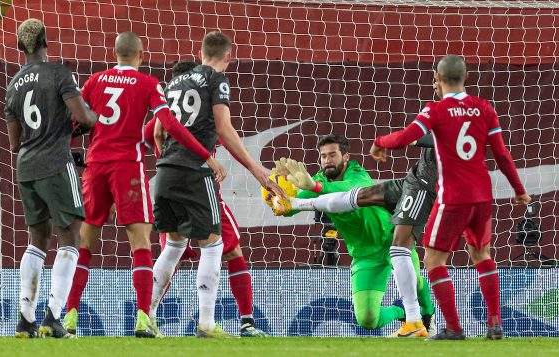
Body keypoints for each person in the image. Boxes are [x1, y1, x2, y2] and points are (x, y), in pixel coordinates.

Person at [63, 31, 225, 338]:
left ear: (115, 53)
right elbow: (170, 123)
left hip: (96, 166)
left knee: (84, 244)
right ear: (141, 54)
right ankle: (142, 319)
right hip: (127, 167)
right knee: (139, 244)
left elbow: (74, 122)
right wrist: (207, 155)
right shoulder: (149, 84)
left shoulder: (94, 81)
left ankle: (69, 316)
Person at [370, 55, 531, 340]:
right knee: (482, 255)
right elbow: (502, 154)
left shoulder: (436, 110)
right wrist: (519, 189)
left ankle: (455, 328)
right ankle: (495, 323)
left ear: (438, 78)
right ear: (466, 77)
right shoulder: (484, 108)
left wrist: (380, 142)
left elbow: (408, 136)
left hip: (453, 198)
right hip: (482, 196)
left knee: (433, 259)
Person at [150, 31, 283, 338]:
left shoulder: (174, 83)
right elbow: (223, 127)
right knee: (214, 245)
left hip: (166, 170)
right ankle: (208, 324)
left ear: (200, 51)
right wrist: (258, 171)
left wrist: (168, 157)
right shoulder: (216, 80)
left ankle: (147, 317)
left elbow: (157, 131)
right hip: (197, 171)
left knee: (172, 247)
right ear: (228, 57)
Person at [274, 135, 437, 337]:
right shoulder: (316, 180)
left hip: (390, 238)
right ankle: (402, 311)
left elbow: (351, 191)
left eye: (332, 155)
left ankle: (427, 318)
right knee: (368, 320)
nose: (327, 160)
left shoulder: (356, 172)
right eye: (323, 156)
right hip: (363, 254)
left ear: (346, 157)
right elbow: (290, 208)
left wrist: (315, 188)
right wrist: (277, 195)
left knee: (415, 282)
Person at [4, 19, 98, 338]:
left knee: (37, 239)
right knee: (70, 236)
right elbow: (84, 117)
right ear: (46, 40)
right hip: (55, 164)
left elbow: (15, 143)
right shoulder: (58, 73)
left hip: (26, 168)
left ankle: (24, 320)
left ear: (20, 47)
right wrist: (94, 119)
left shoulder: (13, 84)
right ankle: (53, 317)